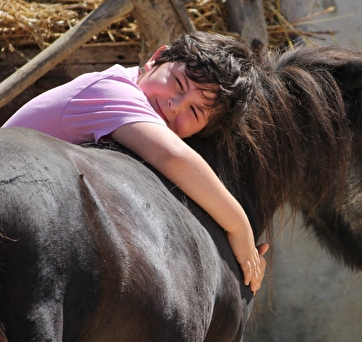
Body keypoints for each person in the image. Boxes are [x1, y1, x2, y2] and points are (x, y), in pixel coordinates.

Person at [2, 31, 268, 293]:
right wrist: (239, 227)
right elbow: (174, 157)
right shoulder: (113, 91)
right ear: (156, 58)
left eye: (195, 111)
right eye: (177, 83)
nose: (175, 105)